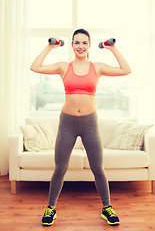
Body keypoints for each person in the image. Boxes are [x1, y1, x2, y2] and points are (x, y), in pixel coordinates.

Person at [30, 29, 131, 226]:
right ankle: (51, 208)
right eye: (77, 42)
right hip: (67, 123)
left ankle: (107, 207)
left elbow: (126, 70)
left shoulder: (98, 67)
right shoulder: (63, 67)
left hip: (89, 124)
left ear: (90, 45)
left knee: (98, 169)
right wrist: (50, 46)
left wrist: (113, 48)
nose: (80, 46)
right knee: (60, 168)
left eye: (84, 43)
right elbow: (35, 67)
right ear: (72, 45)